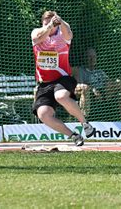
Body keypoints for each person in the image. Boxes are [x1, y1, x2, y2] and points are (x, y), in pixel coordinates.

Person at [31, 11, 93, 146]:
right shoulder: (37, 32)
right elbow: (38, 39)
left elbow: (69, 34)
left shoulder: (62, 35)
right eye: (46, 22)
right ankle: (74, 136)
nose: (49, 25)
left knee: (61, 96)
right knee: (43, 115)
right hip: (44, 83)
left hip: (62, 79)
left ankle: (85, 123)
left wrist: (61, 22)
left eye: (52, 23)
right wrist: (48, 26)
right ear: (42, 23)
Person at [72, 47, 121, 121]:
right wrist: (93, 89)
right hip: (92, 94)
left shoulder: (100, 72)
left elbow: (108, 83)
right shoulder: (81, 71)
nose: (92, 59)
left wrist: (109, 85)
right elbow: (81, 85)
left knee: (120, 87)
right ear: (85, 58)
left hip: (105, 93)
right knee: (87, 88)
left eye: (94, 57)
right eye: (89, 56)